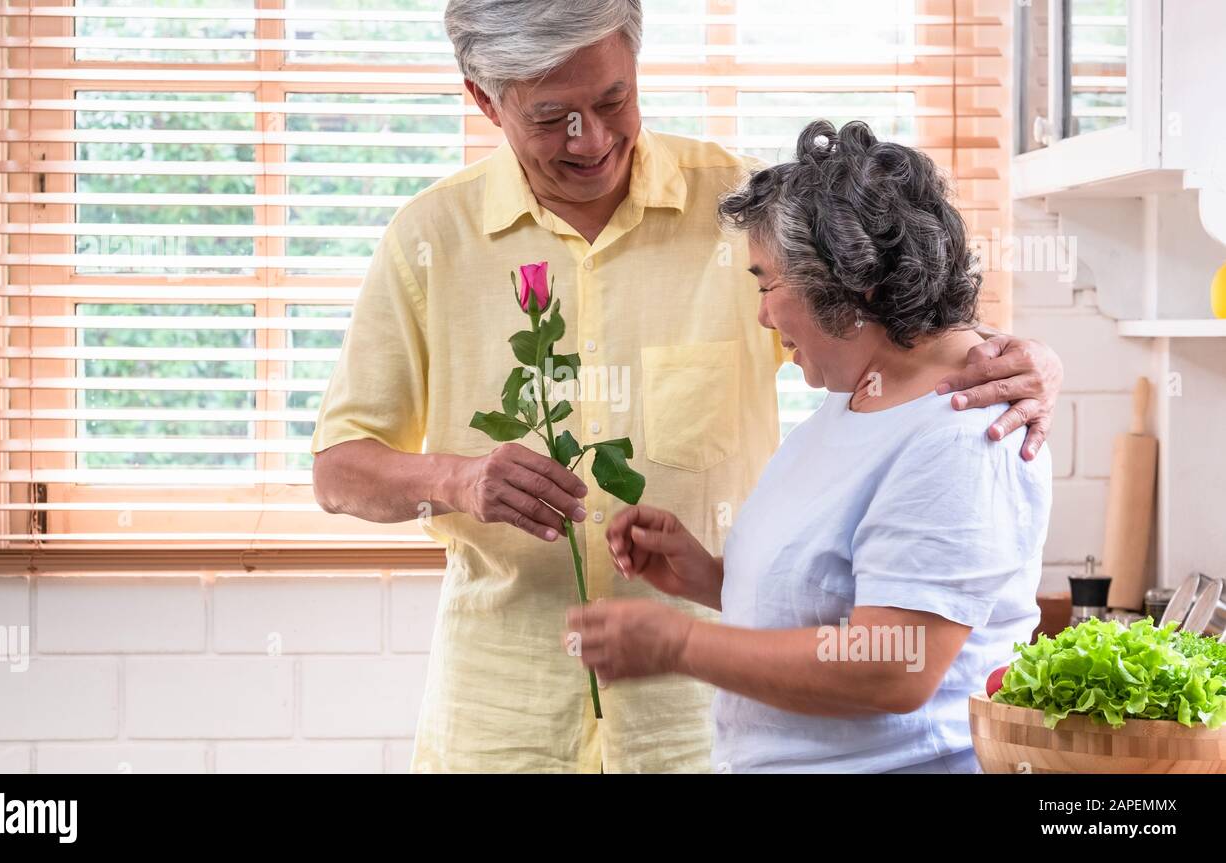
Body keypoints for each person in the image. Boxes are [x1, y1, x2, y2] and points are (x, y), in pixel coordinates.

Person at [311, 0, 1063, 773]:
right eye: (552, 117)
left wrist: (1027, 358)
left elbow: (904, 334)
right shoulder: (429, 239)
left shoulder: (743, 215)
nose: (592, 139)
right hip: (503, 718)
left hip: (701, 730)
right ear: (483, 97)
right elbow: (337, 472)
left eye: (612, 100)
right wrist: (459, 480)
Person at [567, 120, 1053, 773]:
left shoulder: (962, 435)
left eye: (767, 283)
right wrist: (713, 577)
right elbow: (837, 596)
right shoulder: (855, 400)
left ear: (853, 286)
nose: (763, 314)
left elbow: (893, 665)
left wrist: (680, 644)